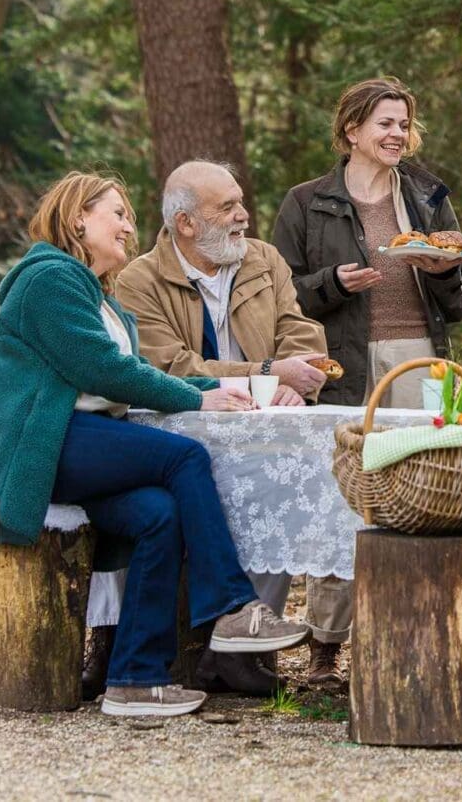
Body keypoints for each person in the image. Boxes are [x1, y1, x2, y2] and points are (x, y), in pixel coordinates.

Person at [0, 172, 309, 719]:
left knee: (157, 512)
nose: (128, 227)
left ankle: (135, 679)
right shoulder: (48, 280)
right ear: (78, 218)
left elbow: (134, 370)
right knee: (185, 456)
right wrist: (197, 402)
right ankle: (233, 607)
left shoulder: (100, 297)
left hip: (83, 445)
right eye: (116, 214)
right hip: (42, 446)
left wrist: (212, 387)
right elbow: (101, 370)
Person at [99, 160, 351, 693]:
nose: (243, 216)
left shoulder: (263, 260)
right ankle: (161, 647)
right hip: (184, 427)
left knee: (284, 489)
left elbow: (300, 332)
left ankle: (246, 646)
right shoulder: (139, 280)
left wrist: (296, 381)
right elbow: (168, 364)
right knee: (165, 502)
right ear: (185, 223)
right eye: (227, 207)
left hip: (265, 426)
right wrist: (263, 372)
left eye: (240, 202)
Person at [273, 76, 462, 408]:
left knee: (419, 458)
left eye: (404, 125)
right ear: (352, 131)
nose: (399, 134)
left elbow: (461, 305)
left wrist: (442, 274)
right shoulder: (305, 202)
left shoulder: (430, 198)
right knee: (351, 458)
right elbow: (279, 298)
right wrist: (333, 284)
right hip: (343, 362)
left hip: (418, 358)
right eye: (385, 123)